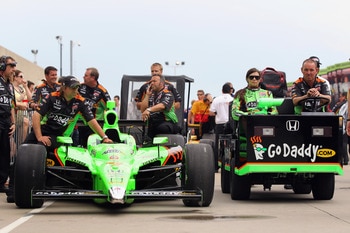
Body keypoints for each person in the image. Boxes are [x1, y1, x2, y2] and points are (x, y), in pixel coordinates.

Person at [23, 76, 112, 151]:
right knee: (23, 148)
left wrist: (104, 137)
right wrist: (39, 136)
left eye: (77, 88)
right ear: (64, 88)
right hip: (42, 130)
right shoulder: (52, 97)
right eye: (73, 88)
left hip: (58, 135)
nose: (76, 90)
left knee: (39, 148)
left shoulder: (81, 101)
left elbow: (91, 121)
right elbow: (36, 115)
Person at [77, 67, 111, 147]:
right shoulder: (80, 87)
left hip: (94, 126)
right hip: (79, 125)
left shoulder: (102, 91)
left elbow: (110, 109)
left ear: (93, 77)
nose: (83, 77)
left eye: (86, 75)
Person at [140, 74, 179, 139]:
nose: (151, 83)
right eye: (151, 82)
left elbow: (163, 106)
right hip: (153, 123)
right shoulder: (151, 95)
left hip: (167, 122)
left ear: (161, 83)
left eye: (154, 81)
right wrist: (147, 95)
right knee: (139, 130)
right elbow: (142, 110)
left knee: (161, 128)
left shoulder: (167, 93)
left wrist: (149, 110)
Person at [0, 56, 16, 194]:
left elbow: (11, 105)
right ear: (2, 67)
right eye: (11, 66)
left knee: (5, 153)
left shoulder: (10, 85)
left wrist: (14, 122)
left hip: (6, 122)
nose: (13, 69)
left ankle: (1, 183)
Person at [209, 83, 234, 171]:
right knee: (230, 144)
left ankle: (216, 166)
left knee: (218, 145)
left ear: (222, 90)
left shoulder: (216, 100)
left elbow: (211, 112)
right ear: (230, 90)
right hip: (230, 124)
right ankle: (229, 164)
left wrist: (218, 113)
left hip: (219, 124)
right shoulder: (233, 99)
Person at [12, 70, 32, 144]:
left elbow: (30, 99)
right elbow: (11, 101)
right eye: (21, 76)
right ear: (15, 78)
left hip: (22, 115)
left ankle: (21, 145)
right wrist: (20, 104)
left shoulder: (21, 89)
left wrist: (26, 87)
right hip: (13, 114)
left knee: (25, 122)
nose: (23, 79)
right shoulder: (11, 87)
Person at [333, 92, 349, 165]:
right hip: (343, 126)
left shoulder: (342, 105)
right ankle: (345, 159)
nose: (339, 98)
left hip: (345, 126)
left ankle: (345, 159)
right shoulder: (343, 105)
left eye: (341, 96)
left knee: (344, 143)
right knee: (343, 143)